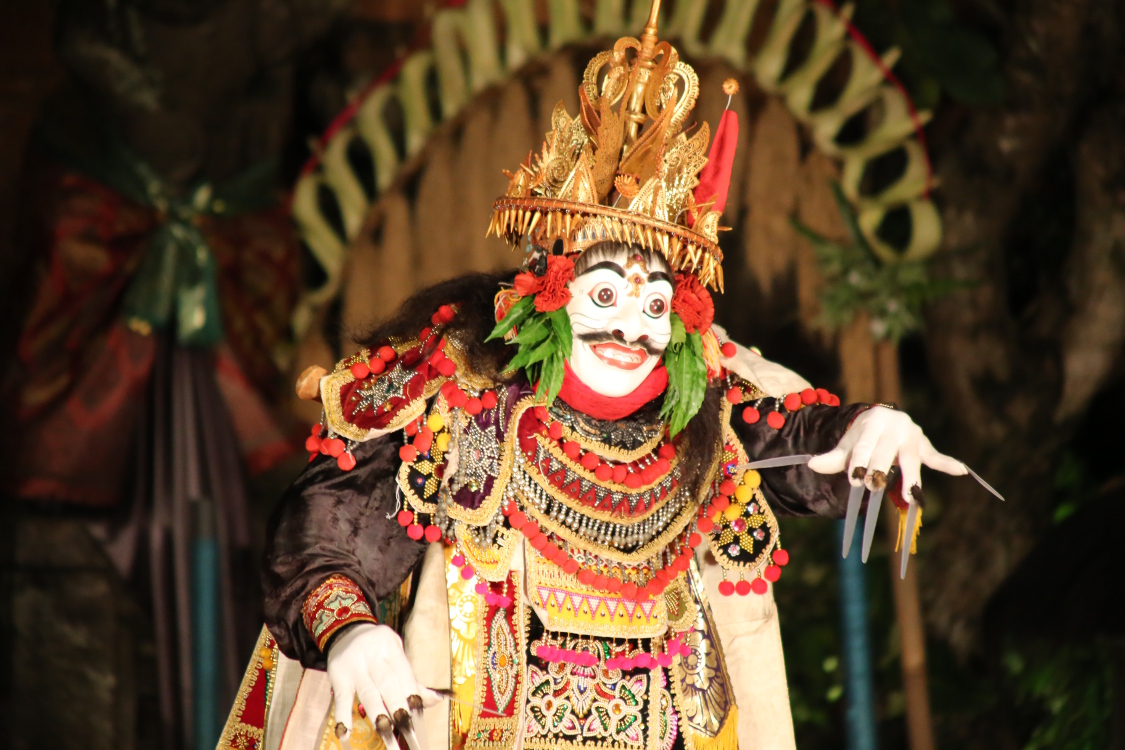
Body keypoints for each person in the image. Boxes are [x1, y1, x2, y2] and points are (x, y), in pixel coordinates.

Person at [217, 4, 968, 748]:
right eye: (605, 295)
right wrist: (350, 631)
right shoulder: (454, 392)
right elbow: (330, 524)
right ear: (547, 288)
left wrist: (870, 426)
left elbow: (801, 441)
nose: (629, 327)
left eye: (653, 302)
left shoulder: (702, 405)